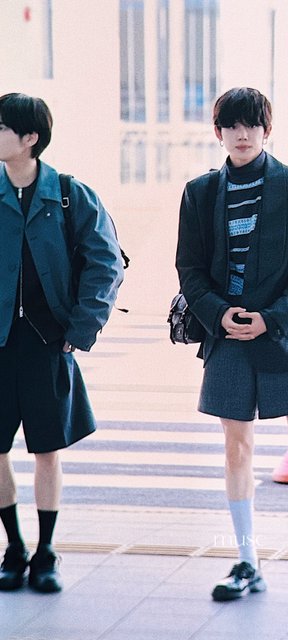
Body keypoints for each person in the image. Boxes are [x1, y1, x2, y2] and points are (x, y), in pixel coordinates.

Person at [176, 87, 288, 602]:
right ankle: (247, 562)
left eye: (251, 125)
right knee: (237, 448)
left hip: (286, 335)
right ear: (218, 133)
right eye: (232, 126)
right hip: (228, 336)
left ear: (266, 129)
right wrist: (220, 314)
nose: (242, 134)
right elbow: (189, 267)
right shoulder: (200, 192)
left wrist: (272, 319)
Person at [0, 93, 124, 593]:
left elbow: (105, 263)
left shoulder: (70, 195)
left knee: (48, 450)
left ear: (30, 138)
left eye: (2, 127)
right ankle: (14, 548)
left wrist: (80, 330)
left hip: (47, 342)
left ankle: (46, 551)